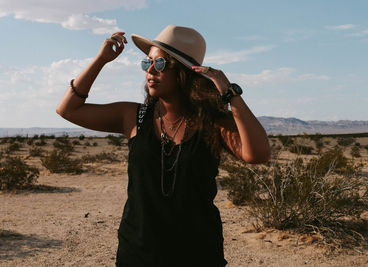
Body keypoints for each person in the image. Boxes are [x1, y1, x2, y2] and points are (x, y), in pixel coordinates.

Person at [56, 25, 271, 267]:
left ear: (184, 72)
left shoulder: (213, 122)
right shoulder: (133, 116)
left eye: (159, 64)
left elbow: (258, 154)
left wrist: (230, 94)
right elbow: (68, 109)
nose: (149, 70)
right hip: (138, 254)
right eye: (147, 63)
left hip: (198, 254)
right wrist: (101, 60)